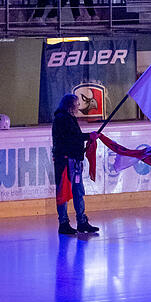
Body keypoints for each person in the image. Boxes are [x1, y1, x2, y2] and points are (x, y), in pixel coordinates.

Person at [52, 94, 99, 235]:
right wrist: (87, 136)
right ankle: (64, 222)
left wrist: (87, 137)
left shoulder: (68, 118)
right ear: (70, 105)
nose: (79, 106)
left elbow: (73, 137)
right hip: (66, 161)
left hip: (74, 160)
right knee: (63, 191)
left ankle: (81, 221)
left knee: (78, 191)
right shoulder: (62, 119)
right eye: (77, 104)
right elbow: (71, 138)